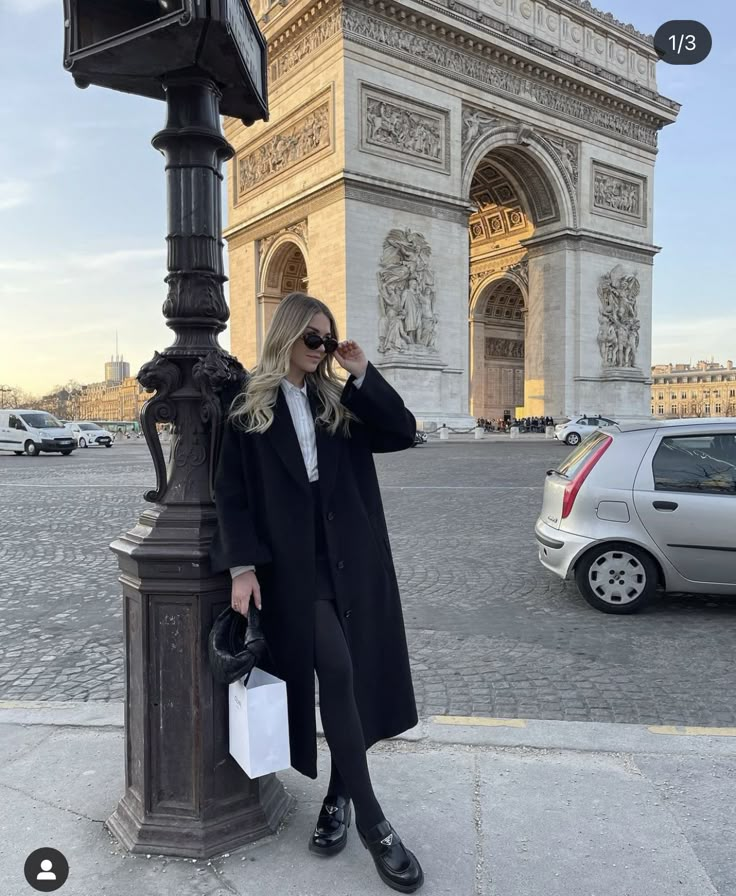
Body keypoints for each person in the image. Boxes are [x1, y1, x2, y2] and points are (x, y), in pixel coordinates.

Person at [210, 292, 424, 893]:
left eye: (328, 340)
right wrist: (241, 567)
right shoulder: (246, 403)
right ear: (285, 335)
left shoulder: (339, 398)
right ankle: (375, 824)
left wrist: (361, 372)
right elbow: (231, 493)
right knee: (333, 668)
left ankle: (338, 800)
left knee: (350, 679)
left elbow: (403, 432)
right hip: (293, 568)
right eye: (313, 339)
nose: (321, 349)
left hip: (350, 560)